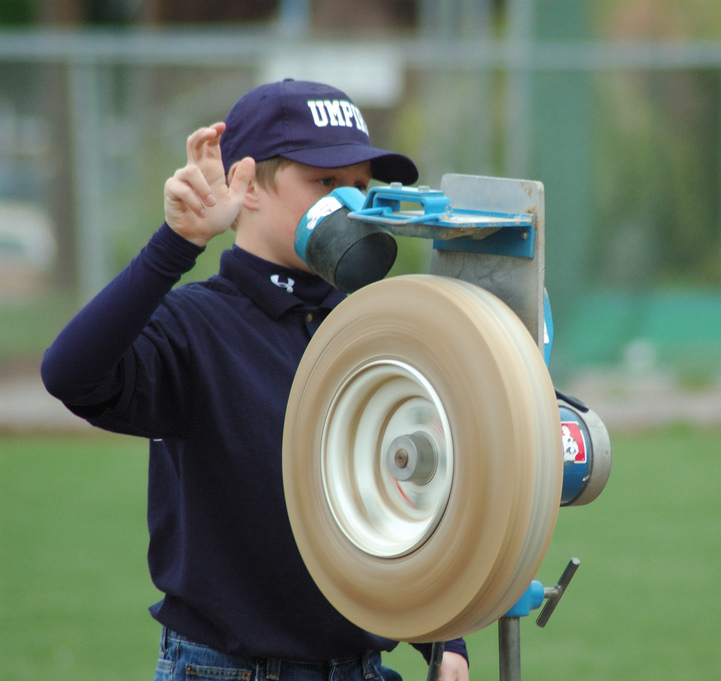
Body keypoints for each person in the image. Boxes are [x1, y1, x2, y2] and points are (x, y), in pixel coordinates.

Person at [40, 79, 470, 681]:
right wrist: (178, 243)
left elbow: (404, 500)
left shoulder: (375, 328)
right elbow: (70, 373)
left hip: (363, 667)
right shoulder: (194, 324)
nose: (348, 204)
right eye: (324, 183)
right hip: (226, 669)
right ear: (246, 188)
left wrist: (444, 639)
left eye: (360, 186)